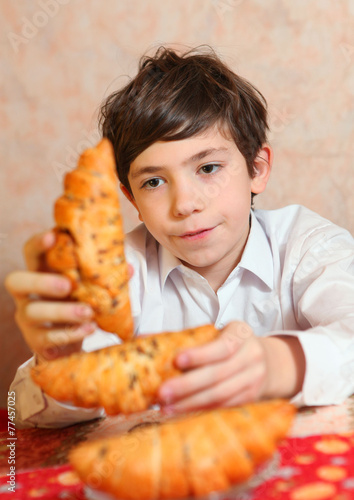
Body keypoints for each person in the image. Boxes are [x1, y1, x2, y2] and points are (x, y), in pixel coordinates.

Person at [6, 46, 354, 428]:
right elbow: (20, 412)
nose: (185, 204)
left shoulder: (308, 247)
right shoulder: (118, 275)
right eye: (154, 182)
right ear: (132, 199)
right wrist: (62, 360)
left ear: (256, 168)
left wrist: (275, 365)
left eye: (207, 167)